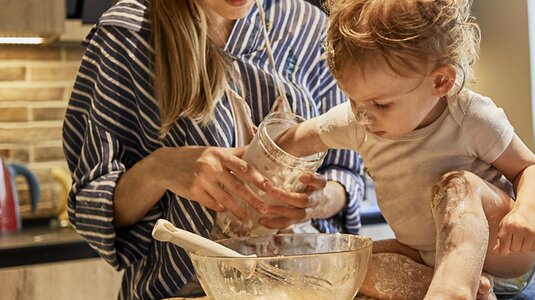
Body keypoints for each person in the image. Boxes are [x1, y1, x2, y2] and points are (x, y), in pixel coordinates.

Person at [62, 0, 364, 298]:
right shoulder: (129, 32)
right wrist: (159, 169)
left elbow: (346, 172)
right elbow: (93, 204)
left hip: (302, 286)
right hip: (182, 292)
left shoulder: (306, 27)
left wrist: (319, 200)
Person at [275, 0, 535, 298]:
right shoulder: (360, 119)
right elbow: (301, 138)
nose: (363, 116)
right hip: (423, 254)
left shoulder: (470, 117)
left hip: (504, 251)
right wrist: (258, 159)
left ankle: (453, 290)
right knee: (349, 262)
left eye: (381, 104)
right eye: (353, 101)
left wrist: (528, 212)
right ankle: (474, 289)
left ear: (441, 81)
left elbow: (529, 168)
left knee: (458, 185)